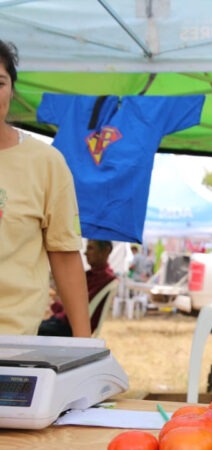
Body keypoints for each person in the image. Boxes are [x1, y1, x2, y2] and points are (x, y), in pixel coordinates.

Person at [0, 39, 91, 337]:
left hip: (12, 343)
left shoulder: (45, 162)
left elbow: (64, 254)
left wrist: (85, 345)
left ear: (12, 90)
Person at [39, 240, 117, 337]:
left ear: (106, 251)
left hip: (69, 328)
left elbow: (78, 310)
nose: (85, 253)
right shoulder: (93, 275)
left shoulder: (104, 278)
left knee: (30, 331)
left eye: (90, 248)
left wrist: (57, 304)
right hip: (65, 324)